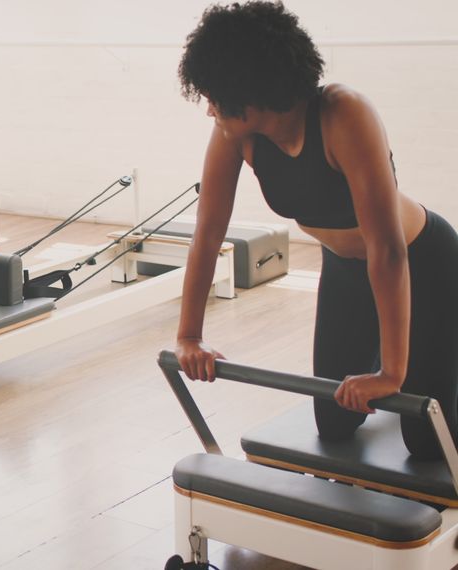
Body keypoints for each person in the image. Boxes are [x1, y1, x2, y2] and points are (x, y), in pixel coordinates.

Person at [173, 1, 458, 458]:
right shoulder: (236, 135)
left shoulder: (343, 114)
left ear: (247, 90)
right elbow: (208, 234)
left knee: (430, 443)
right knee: (335, 423)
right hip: (345, 271)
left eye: (213, 97)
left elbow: (387, 249)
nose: (209, 110)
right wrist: (189, 335)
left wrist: (391, 372)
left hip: (421, 265)